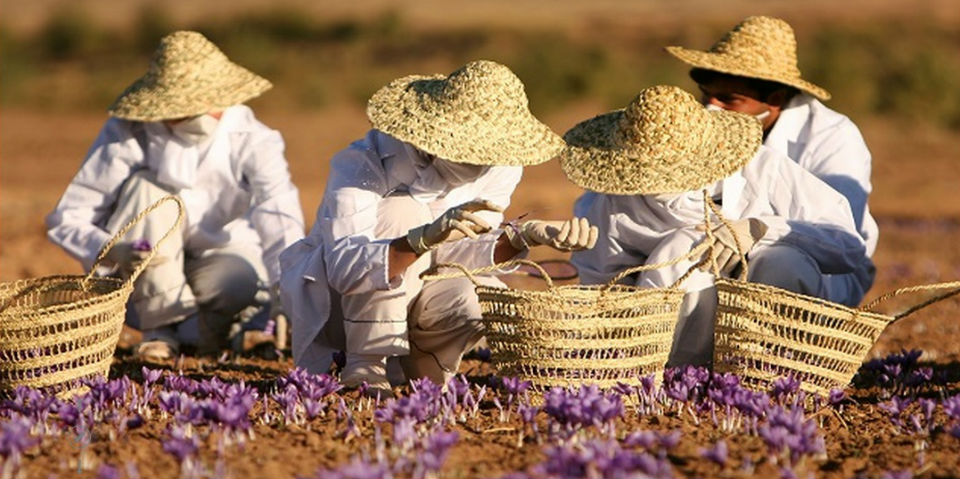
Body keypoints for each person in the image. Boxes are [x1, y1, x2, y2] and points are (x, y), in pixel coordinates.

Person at [279, 60, 598, 394]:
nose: (484, 160)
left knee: (480, 295)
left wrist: (524, 234)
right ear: (432, 137)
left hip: (424, 293)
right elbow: (345, 269)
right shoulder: (364, 163)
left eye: (494, 150)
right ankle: (366, 362)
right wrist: (419, 239)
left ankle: (421, 364)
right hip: (340, 306)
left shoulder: (502, 168)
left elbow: (463, 258)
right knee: (403, 210)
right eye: (470, 149)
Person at [563, 85, 868, 365]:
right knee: (682, 248)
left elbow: (846, 246)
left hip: (772, 320)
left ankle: (773, 373)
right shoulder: (617, 199)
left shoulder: (762, 168)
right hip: (669, 342)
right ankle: (682, 376)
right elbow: (601, 285)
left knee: (784, 263)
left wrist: (759, 230)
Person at [46, 31, 305, 361]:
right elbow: (69, 216)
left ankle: (214, 336)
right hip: (143, 276)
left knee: (236, 283)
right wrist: (112, 250)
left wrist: (288, 291)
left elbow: (278, 214)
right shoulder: (130, 132)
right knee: (146, 188)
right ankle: (160, 331)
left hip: (219, 260)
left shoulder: (253, 139)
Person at [666, 15, 878, 299]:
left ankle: (776, 343)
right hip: (723, 258)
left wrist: (756, 230)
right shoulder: (699, 129)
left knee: (780, 264)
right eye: (706, 95)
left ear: (775, 99)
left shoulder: (833, 137)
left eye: (728, 99)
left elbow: (838, 238)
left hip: (821, 272)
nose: (710, 108)